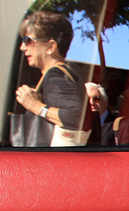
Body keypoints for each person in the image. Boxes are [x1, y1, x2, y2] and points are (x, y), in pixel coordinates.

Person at [13, 11, 89, 147]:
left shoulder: (55, 75)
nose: (22, 47)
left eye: (28, 40)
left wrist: (35, 106)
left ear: (51, 47)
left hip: (52, 162)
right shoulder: (65, 73)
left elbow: (76, 116)